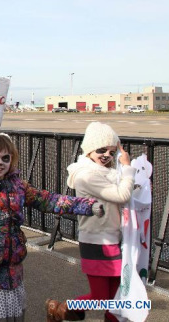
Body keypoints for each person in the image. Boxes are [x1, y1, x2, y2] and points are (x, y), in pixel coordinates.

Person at [0, 119, 103, 322]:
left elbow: (50, 200)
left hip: (12, 265)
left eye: (5, 158)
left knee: (13, 315)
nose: (0, 162)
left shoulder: (19, 186)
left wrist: (88, 205)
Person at [45, 122, 135, 322]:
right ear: (89, 150)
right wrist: (128, 169)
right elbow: (121, 195)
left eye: (112, 152)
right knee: (102, 297)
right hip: (96, 241)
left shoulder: (107, 173)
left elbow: (124, 192)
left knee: (116, 297)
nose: (107, 156)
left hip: (113, 239)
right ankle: (62, 308)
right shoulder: (86, 175)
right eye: (101, 150)